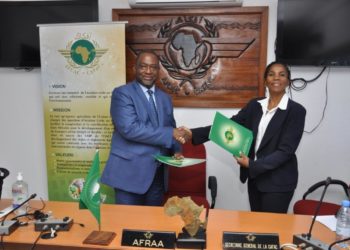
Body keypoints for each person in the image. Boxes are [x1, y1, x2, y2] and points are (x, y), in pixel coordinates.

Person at [179, 61, 306, 213]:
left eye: (282, 74)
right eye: (271, 74)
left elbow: (285, 151)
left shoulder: (296, 111)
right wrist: (194, 133)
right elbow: (228, 127)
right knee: (256, 228)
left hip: (278, 182)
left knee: (271, 232)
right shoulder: (255, 105)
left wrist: (252, 165)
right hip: (255, 179)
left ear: (288, 81)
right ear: (265, 81)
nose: (276, 78)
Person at [101, 50, 184, 206]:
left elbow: (171, 127)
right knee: (128, 226)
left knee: (153, 226)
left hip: (157, 177)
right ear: (135, 69)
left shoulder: (165, 98)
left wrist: (177, 150)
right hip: (129, 175)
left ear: (158, 71)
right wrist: (170, 133)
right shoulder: (122, 93)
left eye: (153, 67)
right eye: (143, 66)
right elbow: (130, 129)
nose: (148, 71)